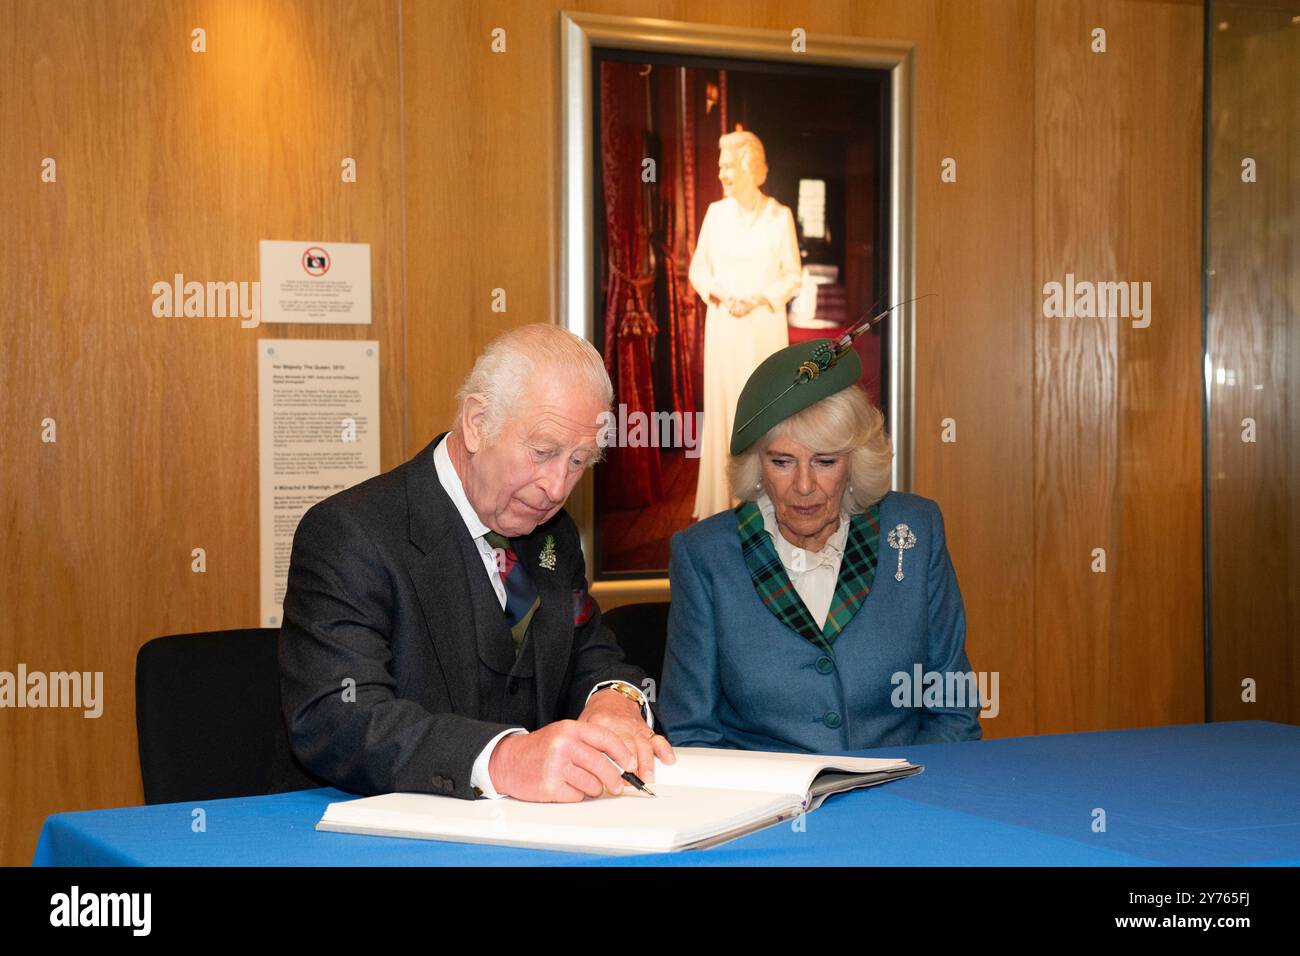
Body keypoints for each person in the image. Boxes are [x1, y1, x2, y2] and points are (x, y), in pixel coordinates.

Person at [272, 324, 675, 802]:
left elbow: (589, 654)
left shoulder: (552, 534)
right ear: (477, 422)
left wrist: (615, 698)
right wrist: (501, 760)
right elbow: (337, 718)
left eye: (579, 461)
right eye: (543, 452)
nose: (557, 487)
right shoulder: (351, 533)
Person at [660, 339, 983, 752]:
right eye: (782, 462)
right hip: (766, 808)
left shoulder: (915, 530)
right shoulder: (705, 554)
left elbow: (952, 709)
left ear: (855, 462)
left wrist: (908, 795)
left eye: (825, 462)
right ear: (757, 466)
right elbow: (692, 733)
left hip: (898, 796)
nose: (804, 486)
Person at [689, 130, 802, 520]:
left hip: (763, 329)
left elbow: (792, 276)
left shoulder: (779, 216)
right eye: (720, 166)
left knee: (765, 410)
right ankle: (723, 506)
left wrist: (757, 297)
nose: (721, 173)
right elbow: (698, 269)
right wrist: (721, 294)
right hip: (725, 327)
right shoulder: (715, 215)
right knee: (727, 408)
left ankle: (768, 504)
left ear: (750, 167)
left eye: (727, 165)